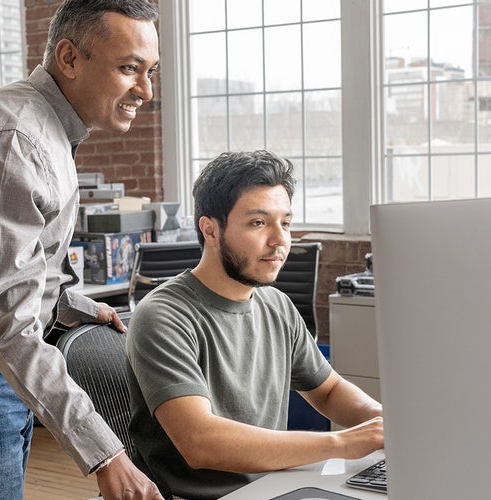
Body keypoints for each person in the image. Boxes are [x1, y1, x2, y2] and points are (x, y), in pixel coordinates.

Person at [0, 1, 163, 499]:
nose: (146, 90)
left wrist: (73, 304)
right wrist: (107, 455)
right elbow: (9, 325)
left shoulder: (46, 127)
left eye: (150, 70)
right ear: (70, 58)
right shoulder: (14, 140)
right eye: (128, 68)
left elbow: (13, 260)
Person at [126, 150, 384, 499]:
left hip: (274, 486)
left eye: (286, 223)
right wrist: (341, 443)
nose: (280, 240)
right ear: (210, 229)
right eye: (259, 223)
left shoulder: (276, 304)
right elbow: (200, 442)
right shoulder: (163, 316)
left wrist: (385, 424)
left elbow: (328, 390)